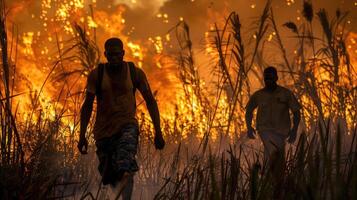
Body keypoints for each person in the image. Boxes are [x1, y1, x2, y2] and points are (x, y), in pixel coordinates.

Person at [77, 37, 165, 199]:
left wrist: (158, 131)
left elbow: (150, 101)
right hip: (103, 131)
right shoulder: (97, 75)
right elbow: (87, 105)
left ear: (123, 53)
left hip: (127, 126)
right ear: (105, 54)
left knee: (125, 167)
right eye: (110, 55)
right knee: (111, 176)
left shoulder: (134, 73)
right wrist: (82, 135)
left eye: (117, 54)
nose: (114, 58)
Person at [245, 66, 301, 165]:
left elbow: (296, 112)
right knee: (273, 152)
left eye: (270, 78)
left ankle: (272, 176)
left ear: (276, 78)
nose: (268, 80)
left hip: (281, 132)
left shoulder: (285, 94)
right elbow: (248, 111)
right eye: (266, 78)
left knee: (276, 156)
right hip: (265, 130)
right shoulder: (259, 95)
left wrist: (294, 130)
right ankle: (274, 175)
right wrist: (249, 127)